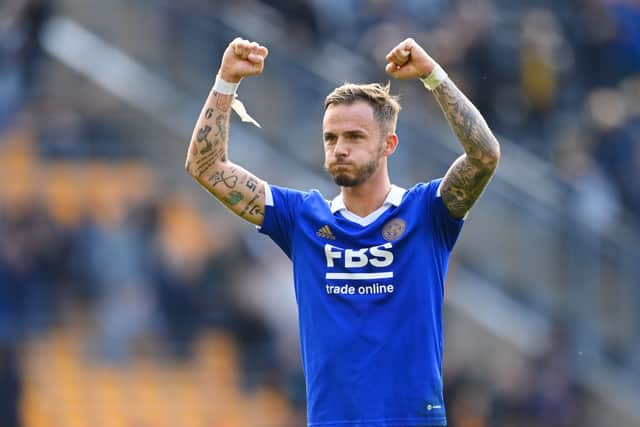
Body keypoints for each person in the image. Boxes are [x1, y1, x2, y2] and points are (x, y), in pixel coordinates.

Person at [185, 37, 500, 427]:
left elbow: (484, 155)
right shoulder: (301, 218)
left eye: (354, 137)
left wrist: (433, 77)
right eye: (330, 138)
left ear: (389, 144)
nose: (339, 149)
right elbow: (206, 166)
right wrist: (226, 81)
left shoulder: (427, 211)